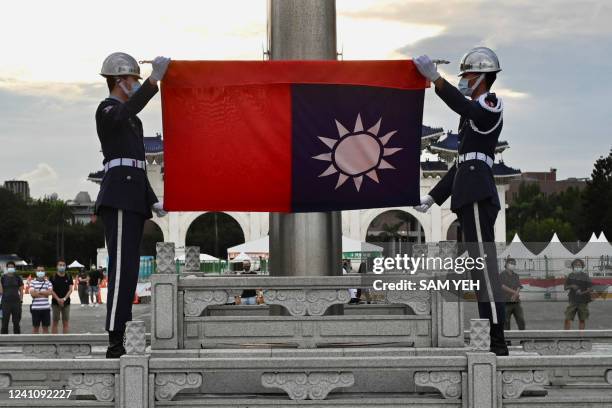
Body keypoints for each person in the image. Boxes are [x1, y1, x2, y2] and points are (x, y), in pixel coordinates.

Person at [413, 48, 508, 355]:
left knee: (484, 265)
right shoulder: (470, 117)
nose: (464, 81)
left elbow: (467, 110)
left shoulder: (489, 103)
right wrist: (433, 196)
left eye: (467, 76)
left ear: (481, 77)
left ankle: (497, 341)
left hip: (478, 192)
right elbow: (461, 164)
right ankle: (489, 334)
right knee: (475, 267)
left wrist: (437, 81)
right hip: (468, 192)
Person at [95, 52, 170, 358]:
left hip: (134, 196)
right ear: (118, 81)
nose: (136, 85)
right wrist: (154, 82)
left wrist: (154, 200)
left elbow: (138, 165)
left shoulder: (132, 120)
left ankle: (120, 332)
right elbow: (125, 112)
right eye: (133, 80)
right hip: (120, 196)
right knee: (122, 270)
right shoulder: (108, 110)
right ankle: (116, 337)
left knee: (129, 272)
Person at [564, 258, 592, 330]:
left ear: (582, 266)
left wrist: (581, 293)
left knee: (582, 319)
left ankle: (581, 336)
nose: (577, 267)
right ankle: (566, 335)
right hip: (573, 300)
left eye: (579, 265)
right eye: (576, 265)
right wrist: (571, 286)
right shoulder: (570, 276)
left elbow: (589, 289)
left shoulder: (585, 276)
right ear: (573, 266)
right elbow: (565, 287)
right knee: (567, 318)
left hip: (583, 301)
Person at [500, 258, 525, 330]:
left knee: (521, 320)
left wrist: (515, 295)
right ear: (506, 264)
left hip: (516, 302)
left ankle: (523, 339)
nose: (513, 265)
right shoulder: (502, 275)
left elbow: (518, 286)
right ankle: (507, 340)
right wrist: (514, 292)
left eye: (514, 263)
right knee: (506, 321)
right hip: (506, 302)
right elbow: (502, 286)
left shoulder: (516, 275)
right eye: (511, 263)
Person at [50, 260, 74, 334]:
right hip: (55, 303)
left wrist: (63, 299)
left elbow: (70, 290)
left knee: (65, 322)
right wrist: (58, 299)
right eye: (60, 265)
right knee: (55, 322)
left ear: (66, 266)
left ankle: (65, 341)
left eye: (63, 265)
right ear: (57, 266)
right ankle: (54, 341)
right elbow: (51, 290)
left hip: (66, 302)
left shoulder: (69, 276)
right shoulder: (52, 277)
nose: (62, 267)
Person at [0, 261, 24, 334]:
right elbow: (1, 291)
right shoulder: (3, 277)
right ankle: (3, 340)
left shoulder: (18, 277)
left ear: (14, 268)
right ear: (7, 268)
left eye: (12, 267)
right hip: (5, 302)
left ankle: (17, 339)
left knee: (16, 322)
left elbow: (21, 290)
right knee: (4, 322)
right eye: (9, 267)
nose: (10, 268)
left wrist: (21, 300)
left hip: (16, 302)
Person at [29, 266, 52, 334]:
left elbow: (50, 292)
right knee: (35, 328)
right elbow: (32, 294)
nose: (40, 272)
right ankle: (34, 344)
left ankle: (45, 344)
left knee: (46, 328)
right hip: (35, 309)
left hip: (46, 308)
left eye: (42, 271)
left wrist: (38, 292)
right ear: (36, 272)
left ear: (44, 272)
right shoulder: (32, 282)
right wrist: (45, 293)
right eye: (39, 271)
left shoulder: (48, 282)